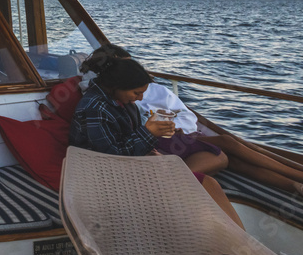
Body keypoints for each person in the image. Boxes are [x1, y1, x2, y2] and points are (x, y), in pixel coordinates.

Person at [86, 44, 303, 197]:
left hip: (178, 135)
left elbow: (188, 116)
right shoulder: (104, 101)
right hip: (157, 141)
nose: (134, 74)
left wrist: (175, 126)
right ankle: (295, 178)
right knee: (228, 145)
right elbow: (120, 140)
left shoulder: (152, 91)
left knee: (232, 150)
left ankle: (294, 183)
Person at [71, 52, 245, 227]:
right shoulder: (94, 108)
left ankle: (238, 239)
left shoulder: (117, 100)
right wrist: (149, 133)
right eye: (136, 93)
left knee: (208, 182)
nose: (139, 98)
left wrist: (153, 149)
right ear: (117, 85)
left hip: (130, 166)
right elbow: (112, 156)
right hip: (108, 177)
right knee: (206, 184)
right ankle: (241, 242)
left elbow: (126, 140)